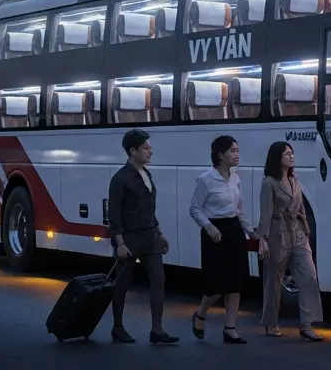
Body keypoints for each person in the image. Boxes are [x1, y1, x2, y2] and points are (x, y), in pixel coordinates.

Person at [107, 129, 179, 345]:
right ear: (132, 150)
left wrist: (159, 232)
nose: (151, 151)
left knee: (159, 279)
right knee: (123, 283)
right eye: (146, 147)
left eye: (150, 147)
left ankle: (157, 329)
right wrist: (119, 242)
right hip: (129, 238)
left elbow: (149, 209)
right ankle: (118, 327)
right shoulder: (120, 178)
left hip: (149, 236)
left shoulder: (147, 174)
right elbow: (113, 213)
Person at [189, 135, 257, 343]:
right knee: (217, 284)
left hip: (234, 230)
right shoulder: (205, 179)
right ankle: (201, 313)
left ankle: (230, 328)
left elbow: (238, 210)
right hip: (214, 232)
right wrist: (209, 227)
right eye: (233, 151)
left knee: (236, 282)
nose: (237, 154)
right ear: (220, 155)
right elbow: (194, 208)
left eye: (237, 150)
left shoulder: (236, 179)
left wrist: (251, 232)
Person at [257, 142, 325, 341]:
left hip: (298, 234)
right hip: (278, 233)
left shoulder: (295, 180)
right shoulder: (268, 183)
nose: (292, 156)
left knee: (309, 276)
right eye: (287, 153)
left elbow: (301, 208)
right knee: (274, 281)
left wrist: (306, 231)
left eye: (292, 153)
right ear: (277, 157)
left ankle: (306, 325)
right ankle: (271, 322)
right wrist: (263, 239)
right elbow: (265, 214)